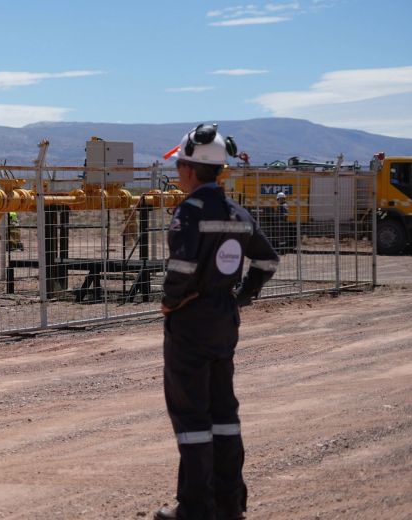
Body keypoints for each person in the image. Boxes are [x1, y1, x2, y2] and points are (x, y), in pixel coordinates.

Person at [155, 124, 280, 520]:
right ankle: (230, 505)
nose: (178, 174)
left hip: (191, 320)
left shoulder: (190, 212)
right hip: (224, 320)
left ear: (191, 169)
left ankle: (195, 509)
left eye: (180, 168)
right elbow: (267, 261)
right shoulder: (239, 215)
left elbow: (182, 266)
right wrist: (241, 295)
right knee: (224, 413)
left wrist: (170, 302)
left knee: (192, 417)